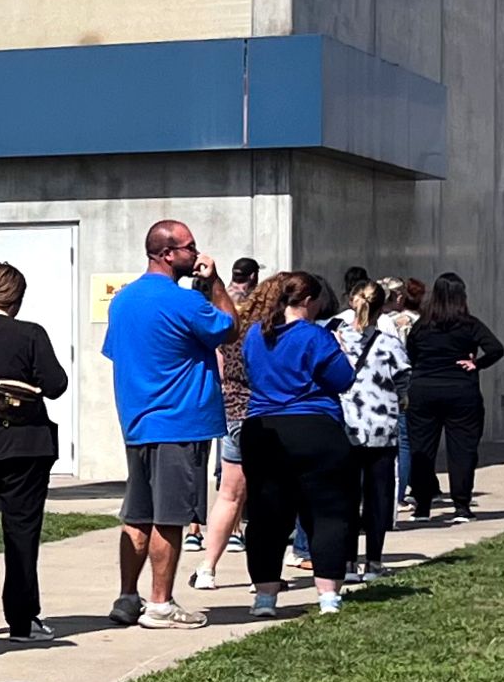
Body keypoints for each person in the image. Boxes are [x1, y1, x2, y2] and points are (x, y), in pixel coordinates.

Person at [102, 218, 236, 630]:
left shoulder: (123, 301)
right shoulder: (184, 302)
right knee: (170, 517)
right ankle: (160, 604)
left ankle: (128, 596)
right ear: (167, 254)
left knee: (138, 515)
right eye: (189, 248)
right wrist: (215, 284)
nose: (196, 255)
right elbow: (228, 327)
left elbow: (116, 353)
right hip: (179, 422)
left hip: (138, 421)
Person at [0, 260, 68, 644]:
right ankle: (22, 620)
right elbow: (56, 385)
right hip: (27, 448)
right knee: (22, 536)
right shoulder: (31, 334)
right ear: (18, 298)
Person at [239, 273, 361, 619]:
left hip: (262, 428)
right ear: (308, 300)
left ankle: (264, 597)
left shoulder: (255, 334)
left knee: (266, 516)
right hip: (314, 426)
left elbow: (252, 376)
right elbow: (343, 379)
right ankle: (328, 596)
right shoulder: (315, 336)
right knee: (327, 512)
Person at [404, 271, 504, 520]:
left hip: (423, 390)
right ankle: (461, 505)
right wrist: (477, 364)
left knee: (422, 449)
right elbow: (496, 349)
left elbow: (410, 354)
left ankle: (422, 505)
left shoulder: (421, 325)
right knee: (462, 449)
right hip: (461, 390)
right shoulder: (469, 324)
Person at [336, 277, 410, 580]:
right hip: (381, 427)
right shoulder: (389, 343)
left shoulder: (335, 338)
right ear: (382, 308)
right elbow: (404, 378)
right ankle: (375, 562)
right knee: (378, 496)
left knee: (348, 496)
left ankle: (349, 562)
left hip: (345, 426)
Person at [189, 266, 256, 593]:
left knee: (228, 494)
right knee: (265, 495)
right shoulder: (255, 334)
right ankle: (264, 577)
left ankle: (207, 568)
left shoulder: (219, 334)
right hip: (257, 414)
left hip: (228, 411)